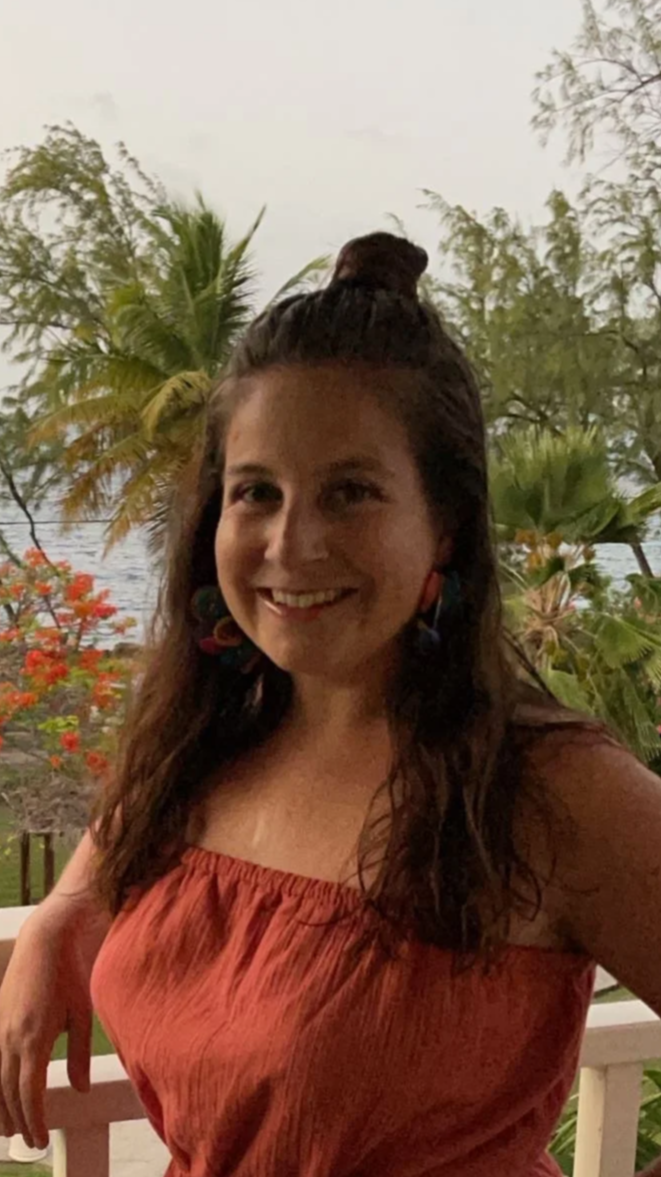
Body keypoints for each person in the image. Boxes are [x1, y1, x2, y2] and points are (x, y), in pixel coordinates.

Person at [1, 232, 661, 1177]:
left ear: (443, 524)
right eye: (255, 492)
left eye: (350, 492)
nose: (291, 543)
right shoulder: (207, 738)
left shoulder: (540, 787)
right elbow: (113, 842)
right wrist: (57, 919)